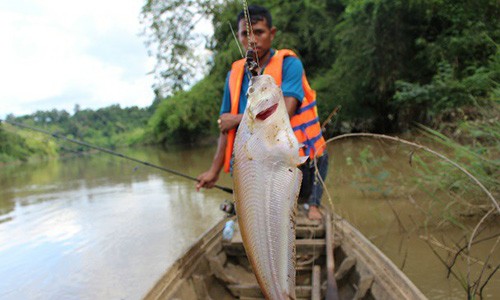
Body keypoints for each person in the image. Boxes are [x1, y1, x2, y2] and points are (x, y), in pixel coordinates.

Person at [196, 5, 328, 220]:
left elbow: (287, 108)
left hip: (292, 153)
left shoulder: (290, 64)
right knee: (257, 214)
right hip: (255, 157)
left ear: (272, 33)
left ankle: (312, 204)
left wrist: (238, 120)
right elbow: (224, 126)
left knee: (317, 155)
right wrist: (214, 171)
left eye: (258, 32)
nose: (252, 40)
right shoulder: (234, 74)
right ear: (238, 37)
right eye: (245, 34)